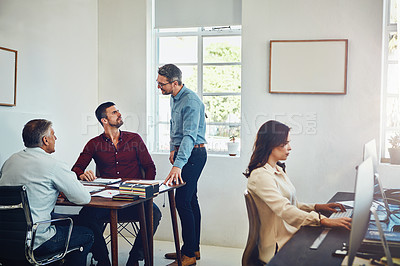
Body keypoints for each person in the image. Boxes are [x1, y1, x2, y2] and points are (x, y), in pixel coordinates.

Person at [243, 120, 352, 264]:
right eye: (284, 144)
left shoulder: (277, 169)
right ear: (270, 145)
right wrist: (323, 220)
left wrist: (317, 207)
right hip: (278, 245)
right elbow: (285, 209)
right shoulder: (261, 176)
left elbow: (290, 203)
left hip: (291, 234)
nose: (289, 148)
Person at [72, 102, 161, 266]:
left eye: (118, 111)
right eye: (114, 112)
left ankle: (135, 258)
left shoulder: (134, 139)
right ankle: (103, 259)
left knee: (154, 213)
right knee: (85, 216)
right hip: (106, 202)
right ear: (104, 120)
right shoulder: (94, 144)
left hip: (133, 200)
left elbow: (149, 167)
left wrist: (146, 192)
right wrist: (82, 174)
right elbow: (76, 169)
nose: (119, 114)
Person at [0, 119, 93, 266]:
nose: (55, 138)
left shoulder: (9, 162)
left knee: (64, 220)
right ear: (45, 140)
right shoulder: (54, 165)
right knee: (87, 234)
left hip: (5, 240)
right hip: (38, 241)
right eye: (53, 135)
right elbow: (83, 198)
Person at [157, 64, 207, 266]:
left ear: (175, 83)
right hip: (185, 152)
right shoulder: (175, 97)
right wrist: (172, 148)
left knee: (182, 201)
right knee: (190, 200)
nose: (159, 88)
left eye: (162, 84)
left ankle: (188, 255)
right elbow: (174, 125)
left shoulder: (191, 102)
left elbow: (189, 136)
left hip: (194, 154)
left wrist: (178, 164)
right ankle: (193, 248)